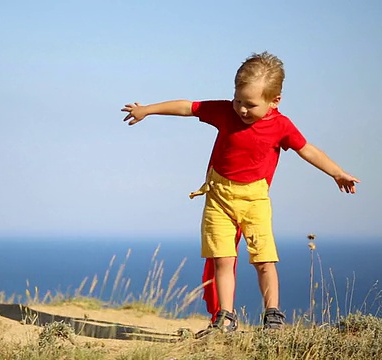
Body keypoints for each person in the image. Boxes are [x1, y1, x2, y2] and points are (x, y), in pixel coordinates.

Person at [121, 52, 359, 332]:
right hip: (218, 198)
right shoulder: (224, 111)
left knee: (264, 259)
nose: (242, 110)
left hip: (255, 201)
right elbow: (189, 107)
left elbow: (307, 149)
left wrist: (337, 172)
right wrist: (148, 109)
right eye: (238, 101)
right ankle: (225, 318)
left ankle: (273, 316)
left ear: (275, 101)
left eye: (250, 104)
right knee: (222, 259)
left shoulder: (281, 125)